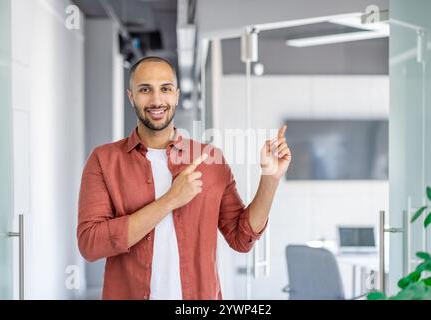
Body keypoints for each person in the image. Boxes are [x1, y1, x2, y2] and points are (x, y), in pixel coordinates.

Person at [77, 56, 291, 300]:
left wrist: (270, 179)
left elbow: (241, 239)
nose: (157, 100)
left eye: (165, 89)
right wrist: (170, 200)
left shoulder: (210, 159)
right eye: (145, 89)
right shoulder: (104, 160)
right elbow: (90, 243)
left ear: (176, 95)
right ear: (131, 97)